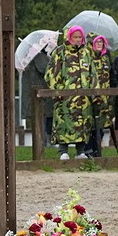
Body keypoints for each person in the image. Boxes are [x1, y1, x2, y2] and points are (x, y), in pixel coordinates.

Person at [45, 26, 97, 161]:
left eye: (80, 37)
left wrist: (92, 91)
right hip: (65, 98)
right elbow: (51, 73)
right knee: (64, 123)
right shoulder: (60, 52)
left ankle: (80, 151)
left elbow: (93, 73)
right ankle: (63, 151)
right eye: (75, 37)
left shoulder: (86, 52)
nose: (78, 40)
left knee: (83, 124)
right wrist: (57, 91)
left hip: (83, 98)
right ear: (69, 37)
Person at [85, 34, 113, 157]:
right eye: (97, 42)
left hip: (104, 97)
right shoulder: (87, 57)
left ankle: (97, 151)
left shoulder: (106, 58)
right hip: (89, 97)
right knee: (90, 125)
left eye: (101, 42)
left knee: (101, 126)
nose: (99, 44)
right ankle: (88, 151)